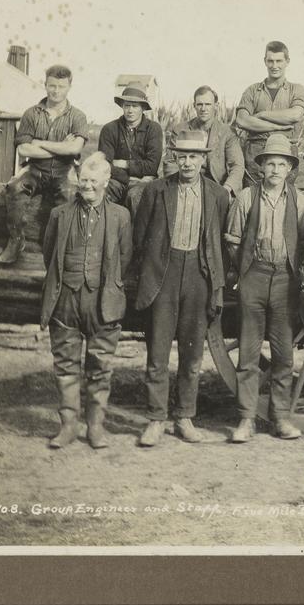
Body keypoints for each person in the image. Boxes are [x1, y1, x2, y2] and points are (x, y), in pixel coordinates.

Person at [132, 130, 230, 446]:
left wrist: (214, 279)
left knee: (192, 353)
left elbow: (220, 244)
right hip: (164, 274)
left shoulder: (217, 195)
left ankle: (185, 417)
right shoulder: (156, 191)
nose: (187, 163)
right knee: (158, 351)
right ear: (174, 157)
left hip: (199, 276)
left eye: (194, 157)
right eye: (182, 156)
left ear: (203, 160)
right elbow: (140, 237)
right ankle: (155, 419)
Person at [224, 134, 304, 444]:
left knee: (283, 354)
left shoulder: (300, 201)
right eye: (270, 164)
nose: (275, 170)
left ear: (289, 169)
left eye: (281, 164)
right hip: (254, 278)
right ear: (261, 168)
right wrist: (247, 268)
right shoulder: (246, 198)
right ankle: (246, 419)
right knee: (248, 352)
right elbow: (233, 240)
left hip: (285, 282)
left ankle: (280, 418)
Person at [39, 152, 132, 450]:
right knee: (65, 364)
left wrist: (107, 285)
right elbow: (49, 254)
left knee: (100, 364)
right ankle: (68, 426)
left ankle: (95, 427)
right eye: (83, 181)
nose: (88, 186)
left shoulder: (120, 216)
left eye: (94, 181)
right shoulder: (60, 214)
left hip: (102, 300)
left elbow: (124, 258)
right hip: (66, 298)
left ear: (106, 181)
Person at [0, 64, 88, 265]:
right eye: (52, 86)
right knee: (14, 187)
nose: (56, 91)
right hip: (35, 169)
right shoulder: (32, 114)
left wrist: (40, 143)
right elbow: (24, 150)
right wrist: (61, 146)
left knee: (72, 194)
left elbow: (74, 150)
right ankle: (16, 241)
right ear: (45, 84)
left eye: (61, 87)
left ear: (69, 87)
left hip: (65, 169)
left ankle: (62, 248)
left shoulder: (77, 116)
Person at [234, 42, 304, 187]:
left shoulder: (297, 89)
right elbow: (242, 120)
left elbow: (295, 115)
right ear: (265, 61)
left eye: (279, 61)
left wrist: (261, 114)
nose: (274, 66)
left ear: (287, 61)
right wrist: (280, 127)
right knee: (253, 195)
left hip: (286, 150)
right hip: (256, 151)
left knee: (284, 196)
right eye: (270, 61)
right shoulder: (252, 90)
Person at [163, 85, 245, 198]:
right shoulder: (180, 130)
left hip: (217, 187)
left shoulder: (227, 132)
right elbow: (170, 163)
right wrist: (179, 188)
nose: (203, 109)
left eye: (208, 104)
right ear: (194, 106)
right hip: (185, 186)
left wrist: (226, 189)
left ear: (216, 106)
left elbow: (237, 165)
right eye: (200, 104)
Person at [97, 86, 163, 215]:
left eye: (135, 106)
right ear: (122, 106)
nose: (130, 110)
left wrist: (124, 163)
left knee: (135, 197)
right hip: (115, 180)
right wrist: (129, 179)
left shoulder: (153, 129)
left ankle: (135, 235)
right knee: (101, 193)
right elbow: (105, 165)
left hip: (145, 181)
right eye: (127, 105)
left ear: (143, 108)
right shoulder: (110, 129)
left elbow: (152, 167)